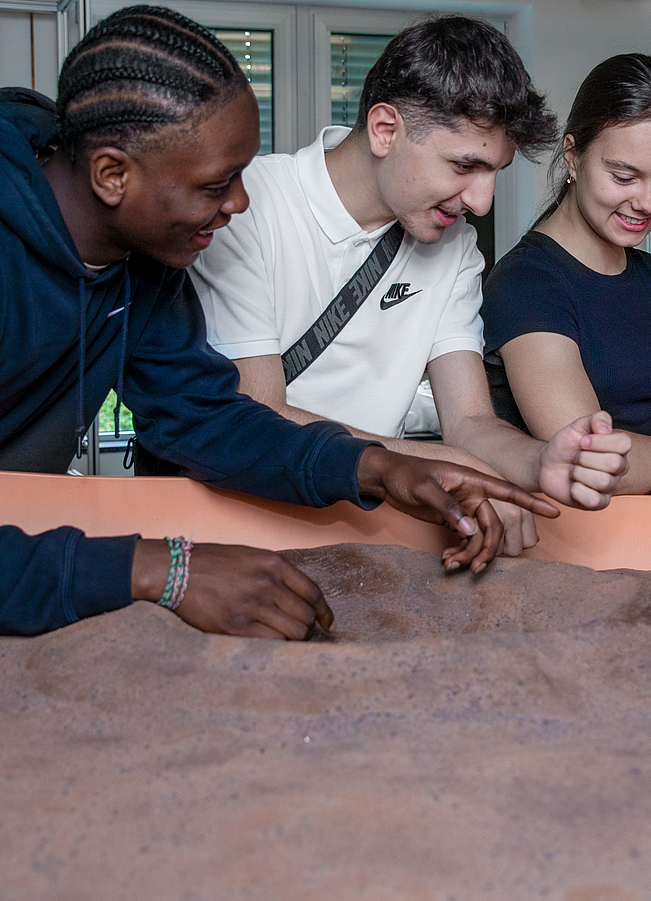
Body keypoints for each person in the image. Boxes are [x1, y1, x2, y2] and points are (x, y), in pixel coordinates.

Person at [0, 5, 562, 639]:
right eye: (216, 185)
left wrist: (377, 467)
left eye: (241, 175)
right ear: (112, 175)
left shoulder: (147, 264)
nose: (240, 203)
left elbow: (206, 418)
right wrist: (166, 570)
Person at [191, 16, 631, 557]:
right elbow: (259, 411)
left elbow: (469, 421)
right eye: (464, 165)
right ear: (385, 130)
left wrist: (538, 461)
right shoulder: (248, 205)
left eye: (495, 171)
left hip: (370, 531)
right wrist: (435, 463)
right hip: (241, 521)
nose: (482, 202)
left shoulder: (456, 246)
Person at [480, 53, 651, 523]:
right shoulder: (526, 284)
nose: (648, 202)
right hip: (565, 542)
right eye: (624, 177)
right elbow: (591, 462)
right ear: (573, 155)